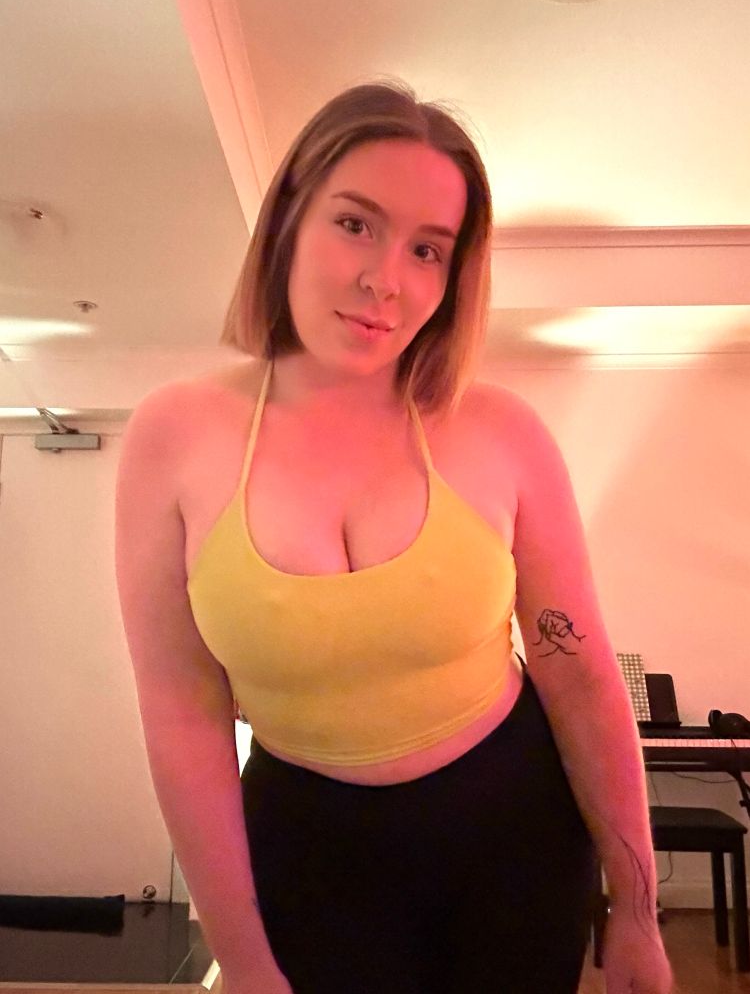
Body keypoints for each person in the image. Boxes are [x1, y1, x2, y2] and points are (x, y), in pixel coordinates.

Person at [115, 79, 674, 994]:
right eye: (355, 224)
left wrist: (640, 914)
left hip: (514, 835)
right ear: (289, 216)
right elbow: (183, 713)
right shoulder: (173, 435)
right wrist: (243, 961)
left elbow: (578, 673)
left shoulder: (501, 432)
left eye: (427, 249)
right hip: (307, 850)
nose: (387, 280)